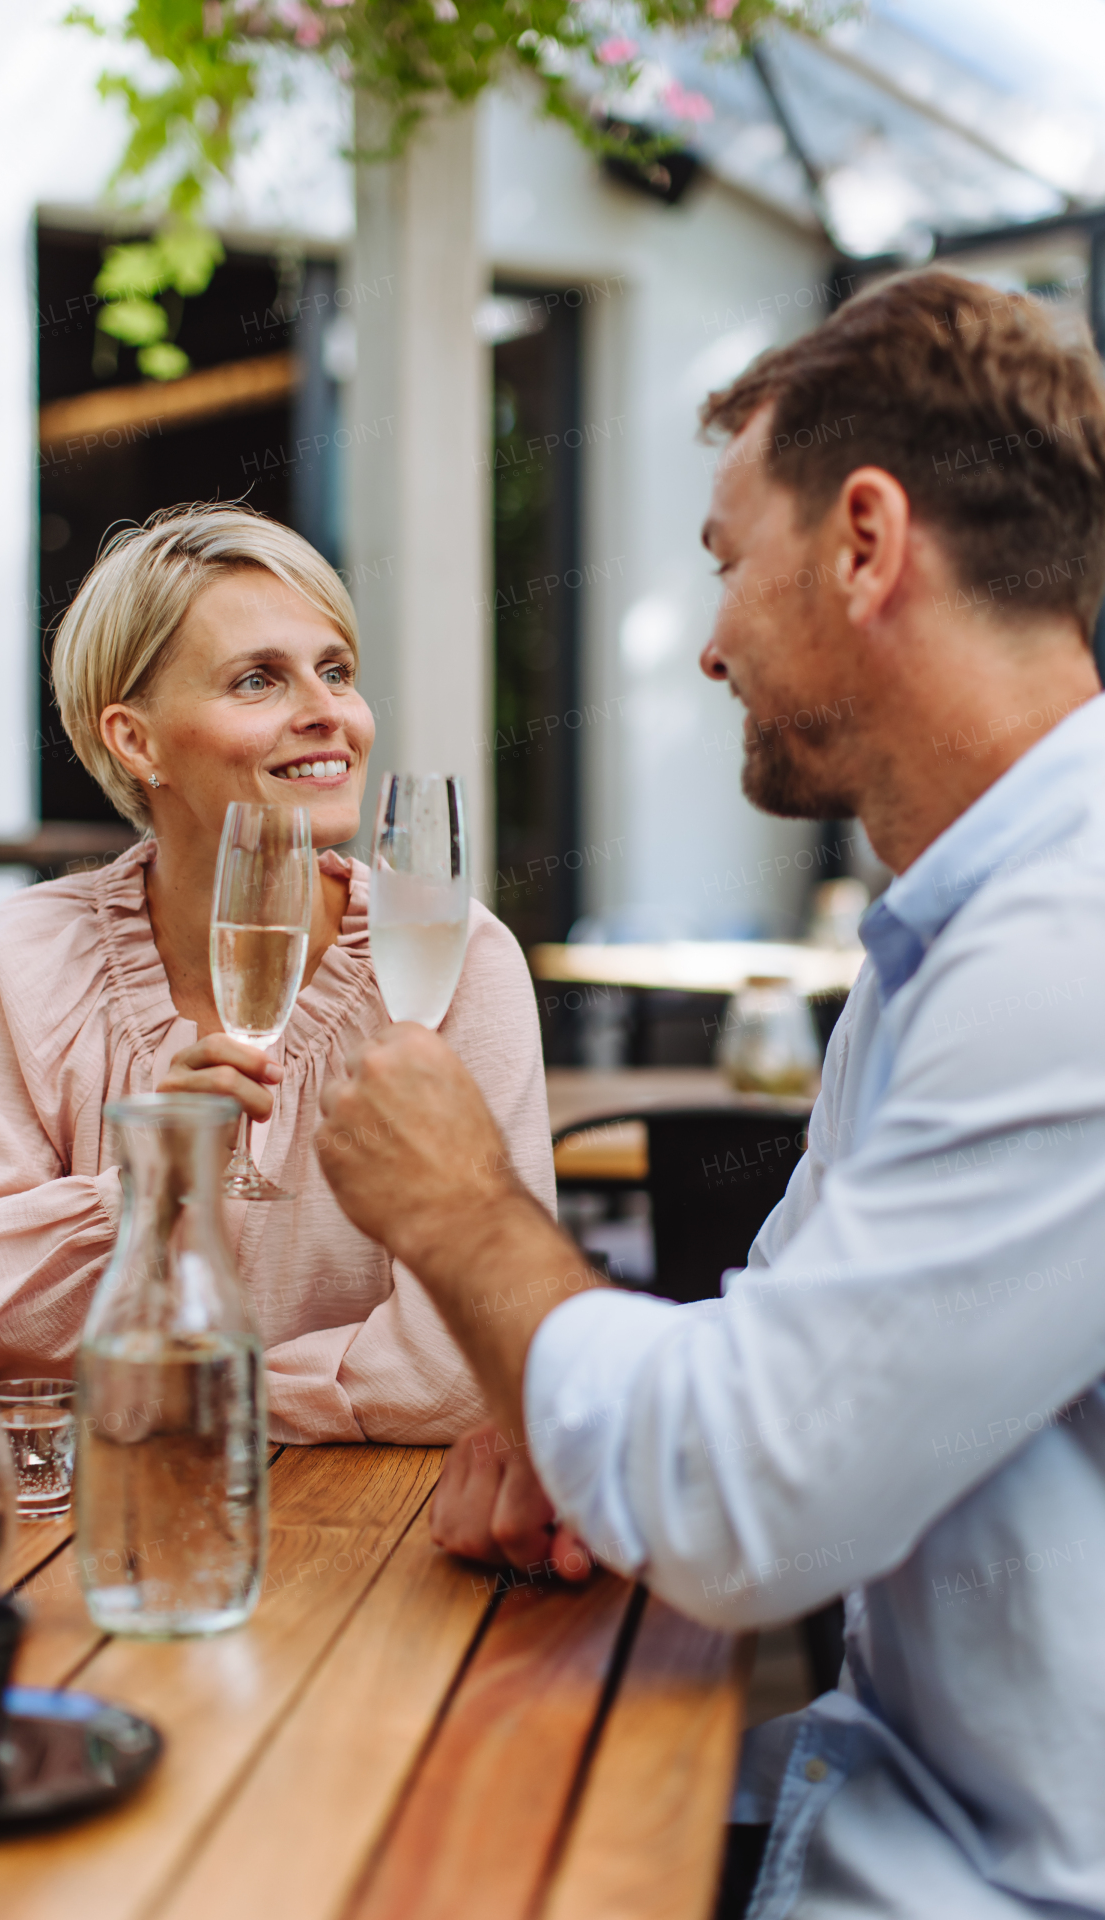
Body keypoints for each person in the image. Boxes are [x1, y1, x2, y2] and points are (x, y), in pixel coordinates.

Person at [314, 270, 1105, 1917]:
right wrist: (582, 1422)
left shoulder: (1066, 951)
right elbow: (767, 1363)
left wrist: (464, 1210)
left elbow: (739, 1503)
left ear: (867, 543)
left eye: (729, 565)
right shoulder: (951, 939)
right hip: (876, 1812)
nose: (709, 648)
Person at [0, 504, 554, 1446]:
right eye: (258, 680)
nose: (328, 711)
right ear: (136, 740)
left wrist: (157, 1398)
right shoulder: (30, 960)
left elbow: (464, 1367)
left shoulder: (456, 956)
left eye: (336, 671)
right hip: (82, 1532)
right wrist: (145, 1188)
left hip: (373, 1539)